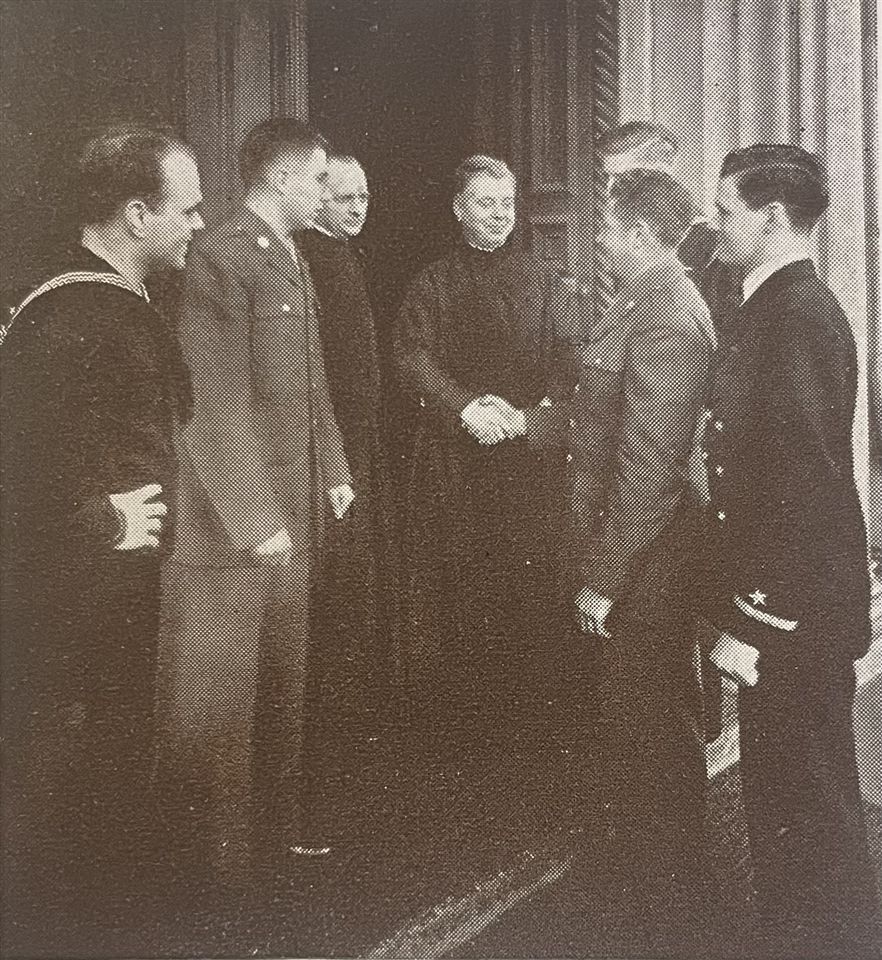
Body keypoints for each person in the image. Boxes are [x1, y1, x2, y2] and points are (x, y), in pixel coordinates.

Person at [0, 124, 202, 953]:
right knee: (70, 786)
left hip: (103, 601)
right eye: (185, 210)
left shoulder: (85, 300)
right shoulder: (81, 317)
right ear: (134, 214)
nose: (197, 224)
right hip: (74, 604)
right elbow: (18, 461)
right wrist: (101, 518)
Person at [156, 119, 353, 881]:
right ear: (280, 180)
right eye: (318, 179)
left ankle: (268, 845)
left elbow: (310, 384)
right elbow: (212, 403)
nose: (326, 192)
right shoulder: (220, 258)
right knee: (225, 698)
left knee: (281, 679)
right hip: (239, 527)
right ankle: (216, 868)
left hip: (293, 510)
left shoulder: (290, 255)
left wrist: (333, 465)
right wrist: (255, 520)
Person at [699, 144, 881, 958]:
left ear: (773, 217)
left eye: (727, 209)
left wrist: (759, 617)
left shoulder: (798, 313)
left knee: (809, 806)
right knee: (788, 801)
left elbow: (803, 484)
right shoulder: (774, 305)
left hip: (792, 609)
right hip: (787, 601)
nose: (716, 223)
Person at [570, 169, 715, 955]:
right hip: (638, 551)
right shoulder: (645, 300)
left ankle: (673, 908)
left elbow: (650, 466)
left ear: (640, 235)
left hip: (650, 561)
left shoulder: (664, 313)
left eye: (609, 228)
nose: (598, 239)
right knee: (640, 723)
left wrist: (603, 577)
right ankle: (651, 891)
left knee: (655, 725)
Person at [393, 154, 576, 743]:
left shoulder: (548, 279)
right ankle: (464, 731)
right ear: (458, 210)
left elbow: (573, 363)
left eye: (506, 204)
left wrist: (531, 419)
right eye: (483, 203)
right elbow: (410, 357)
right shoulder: (434, 281)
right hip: (457, 467)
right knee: (459, 591)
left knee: (528, 592)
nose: (498, 215)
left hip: (529, 467)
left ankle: (529, 730)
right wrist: (464, 407)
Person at [298, 153, 393, 761]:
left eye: (363, 197)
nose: (357, 208)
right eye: (343, 197)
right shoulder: (315, 258)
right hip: (333, 448)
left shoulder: (343, 256)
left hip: (357, 441)